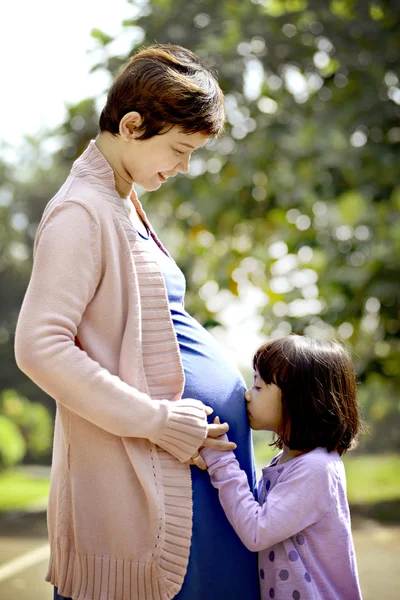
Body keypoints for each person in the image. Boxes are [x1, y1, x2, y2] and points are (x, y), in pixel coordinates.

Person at [14, 44, 259, 600]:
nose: (184, 167)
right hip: (146, 473)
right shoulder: (82, 210)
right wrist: (157, 421)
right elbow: (39, 346)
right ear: (131, 124)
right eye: (178, 148)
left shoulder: (121, 199)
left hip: (187, 467)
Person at [200, 335, 363, 600]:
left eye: (259, 386)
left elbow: (256, 531)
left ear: (300, 399)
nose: (247, 395)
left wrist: (220, 460)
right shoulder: (288, 462)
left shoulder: (316, 469)